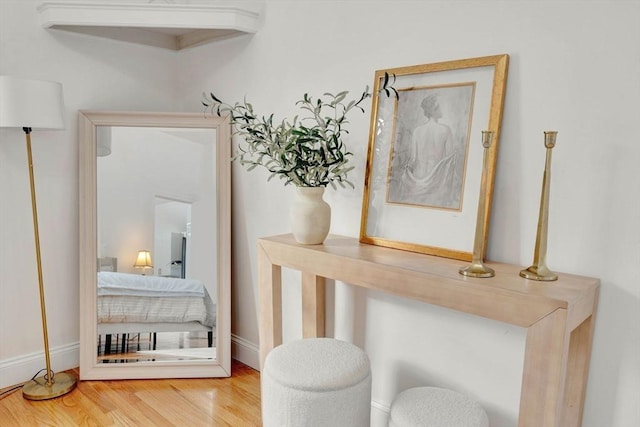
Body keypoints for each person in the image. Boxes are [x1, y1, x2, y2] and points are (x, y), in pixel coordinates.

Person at [397, 94, 459, 208]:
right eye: (439, 107)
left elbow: (413, 160)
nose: (442, 109)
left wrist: (406, 176)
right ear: (434, 109)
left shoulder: (417, 131)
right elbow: (450, 161)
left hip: (416, 182)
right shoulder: (445, 130)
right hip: (436, 183)